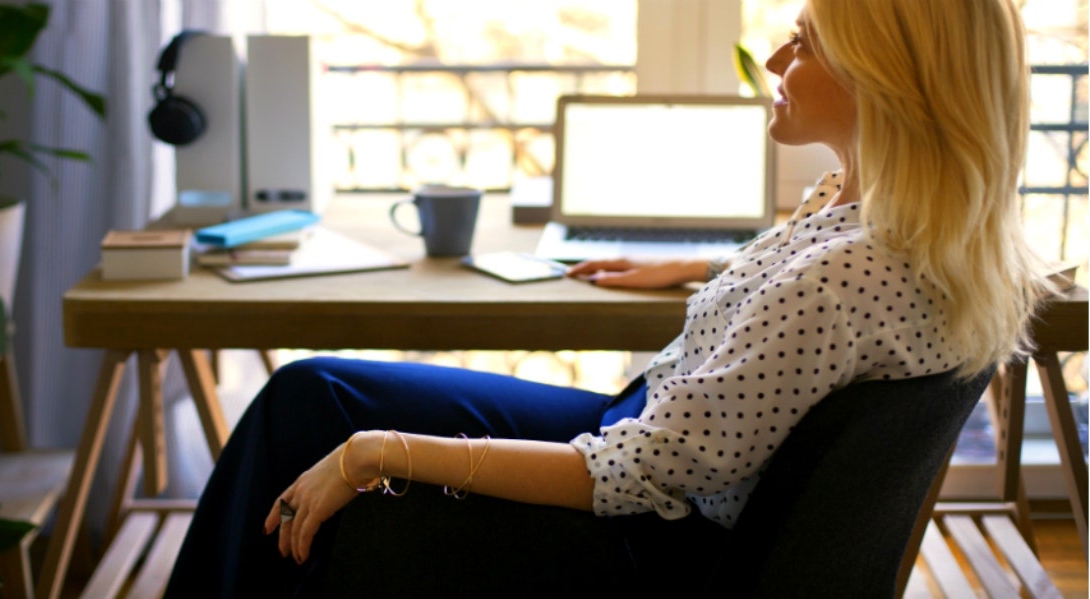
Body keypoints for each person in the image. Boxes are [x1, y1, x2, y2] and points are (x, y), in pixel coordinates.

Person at [165, 0, 1051, 595]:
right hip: (654, 443)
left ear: (886, 79)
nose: (778, 57)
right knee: (310, 392)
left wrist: (377, 454)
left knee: (346, 453)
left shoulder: (843, 279)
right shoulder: (889, 218)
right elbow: (806, 328)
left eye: (808, 42)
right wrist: (712, 273)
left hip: (652, 535)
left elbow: (628, 474)